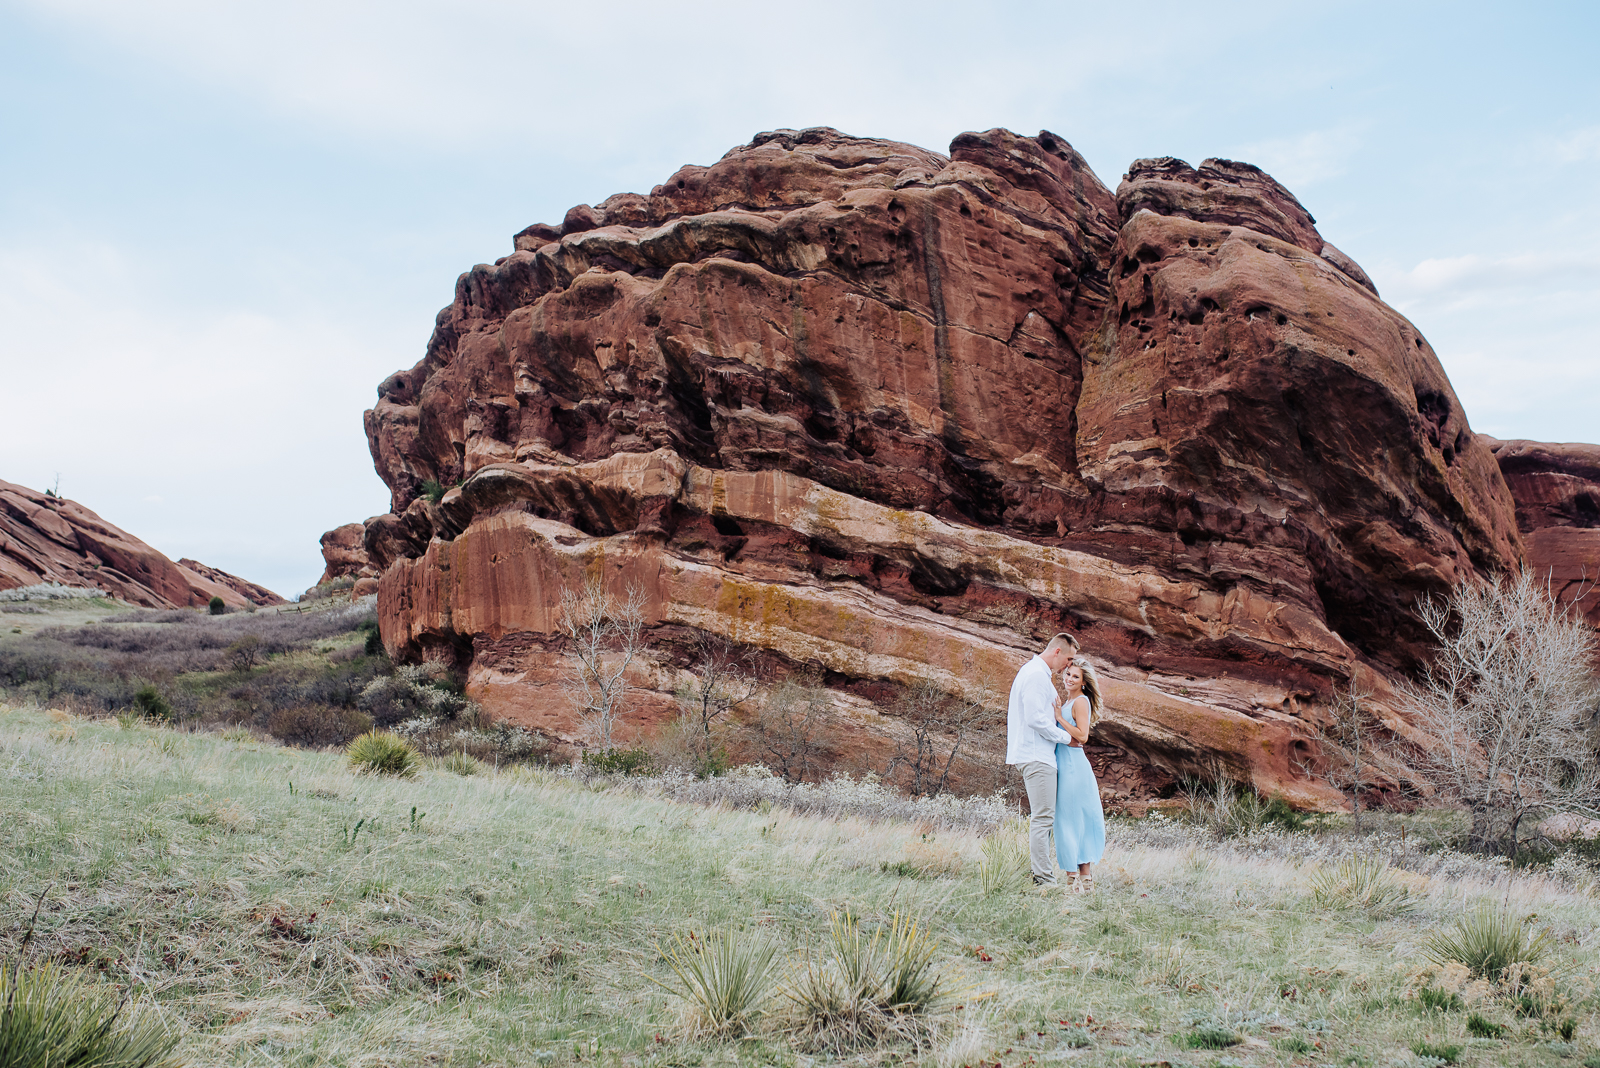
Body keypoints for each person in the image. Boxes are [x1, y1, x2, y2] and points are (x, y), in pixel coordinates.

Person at [1005, 633, 1082, 888]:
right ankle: (1044, 880)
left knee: (1043, 817)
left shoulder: (1037, 674)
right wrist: (1065, 738)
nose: (1069, 666)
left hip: (1038, 754)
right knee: (1043, 818)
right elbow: (1035, 719)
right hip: (1037, 756)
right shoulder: (1036, 675)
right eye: (1069, 658)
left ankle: (1042, 876)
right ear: (1057, 652)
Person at [1053, 657, 1106, 892]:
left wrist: (1059, 718)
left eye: (1075, 676)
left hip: (1074, 766)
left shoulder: (1081, 702)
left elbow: (1083, 736)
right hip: (1065, 765)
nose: (1069, 679)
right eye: (1068, 674)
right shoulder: (1069, 700)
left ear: (1084, 682)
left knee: (1070, 820)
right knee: (1072, 819)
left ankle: (1073, 881)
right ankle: (1085, 882)